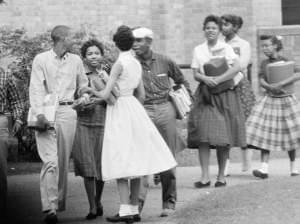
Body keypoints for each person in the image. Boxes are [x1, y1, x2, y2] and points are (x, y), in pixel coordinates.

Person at [92, 25, 177, 223]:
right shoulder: (136, 63)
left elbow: (105, 95)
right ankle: (133, 209)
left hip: (120, 110)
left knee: (121, 160)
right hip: (134, 109)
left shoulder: (119, 64)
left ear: (115, 44)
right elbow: (142, 95)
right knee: (136, 161)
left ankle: (125, 210)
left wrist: (90, 91)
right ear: (131, 43)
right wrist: (133, 111)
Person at [29, 25, 89, 224]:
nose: (74, 40)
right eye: (71, 36)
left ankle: (56, 204)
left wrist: (84, 96)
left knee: (62, 162)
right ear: (62, 38)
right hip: (45, 112)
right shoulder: (41, 59)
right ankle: (51, 208)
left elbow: (83, 85)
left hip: (68, 111)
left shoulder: (76, 60)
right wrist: (39, 114)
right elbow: (36, 88)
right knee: (50, 161)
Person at [132, 27, 190, 217]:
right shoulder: (131, 64)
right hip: (143, 110)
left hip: (165, 109)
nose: (135, 44)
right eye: (133, 41)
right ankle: (136, 207)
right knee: (141, 159)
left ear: (149, 41)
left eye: (139, 40)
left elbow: (182, 81)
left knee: (168, 157)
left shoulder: (165, 61)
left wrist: (179, 104)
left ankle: (169, 203)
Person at [190, 15, 246, 188]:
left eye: (214, 28)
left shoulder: (226, 48)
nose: (210, 31)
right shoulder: (198, 49)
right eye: (207, 27)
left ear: (219, 30)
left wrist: (219, 78)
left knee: (223, 136)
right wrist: (206, 79)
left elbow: (237, 67)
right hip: (206, 94)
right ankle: (205, 176)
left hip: (224, 95)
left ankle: (221, 176)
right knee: (203, 136)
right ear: (204, 30)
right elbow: (195, 73)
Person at [247, 35, 300, 179]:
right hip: (270, 99)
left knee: (290, 134)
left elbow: (297, 73)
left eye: (267, 45)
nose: (264, 48)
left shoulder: (286, 60)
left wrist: (281, 84)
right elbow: (261, 78)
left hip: (286, 100)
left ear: (276, 46)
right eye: (263, 46)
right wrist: (269, 86)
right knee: (265, 132)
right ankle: (264, 168)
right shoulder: (264, 63)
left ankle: (294, 167)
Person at [72, 39, 110, 220]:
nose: (94, 56)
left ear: (101, 55)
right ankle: (92, 207)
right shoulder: (80, 75)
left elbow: (113, 98)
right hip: (84, 124)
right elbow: (73, 101)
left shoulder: (107, 74)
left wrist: (98, 98)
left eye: (96, 53)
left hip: (103, 124)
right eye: (90, 54)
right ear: (84, 57)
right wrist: (80, 103)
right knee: (88, 168)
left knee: (100, 169)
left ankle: (98, 199)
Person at [221, 14, 256, 174]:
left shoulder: (243, 44)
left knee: (244, 120)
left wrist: (225, 67)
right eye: (222, 24)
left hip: (239, 85)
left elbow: (242, 63)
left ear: (235, 27)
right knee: (225, 123)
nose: (223, 27)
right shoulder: (219, 43)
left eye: (226, 24)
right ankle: (225, 164)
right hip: (223, 85)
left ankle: (246, 161)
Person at [0, 67, 24, 219]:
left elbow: (16, 99)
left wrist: (19, 118)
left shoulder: (4, 73)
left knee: (0, 167)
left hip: (0, 121)